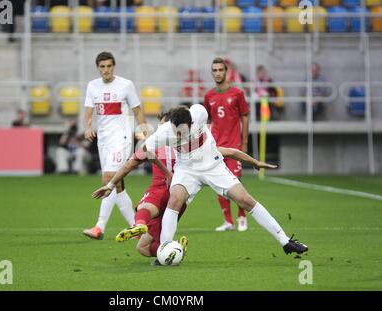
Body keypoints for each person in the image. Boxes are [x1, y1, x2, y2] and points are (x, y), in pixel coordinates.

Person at [101, 105, 308, 258]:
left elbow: (229, 150)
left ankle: (285, 241)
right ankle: (165, 248)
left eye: (182, 130)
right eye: (175, 131)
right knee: (175, 200)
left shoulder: (199, 113)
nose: (178, 135)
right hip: (186, 170)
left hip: (212, 165)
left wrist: (254, 162)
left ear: (193, 123)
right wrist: (111, 185)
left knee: (245, 200)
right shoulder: (163, 134)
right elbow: (139, 157)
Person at [82, 51, 147, 240]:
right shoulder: (92, 86)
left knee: (108, 179)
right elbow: (88, 111)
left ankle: (99, 227)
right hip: (104, 141)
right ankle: (136, 227)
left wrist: (145, 132)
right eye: (102, 67)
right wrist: (88, 127)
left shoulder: (126, 85)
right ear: (98, 68)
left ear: (114, 66)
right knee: (116, 184)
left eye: (109, 66)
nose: (106, 70)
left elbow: (137, 110)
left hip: (122, 138)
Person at [204, 57, 250, 232]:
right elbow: (207, 120)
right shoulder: (209, 96)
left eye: (220, 70)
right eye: (214, 70)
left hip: (233, 146)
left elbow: (244, 116)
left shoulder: (237, 93)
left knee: (235, 181)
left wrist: (244, 141)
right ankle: (228, 221)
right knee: (217, 182)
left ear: (226, 72)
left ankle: (242, 217)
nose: (217, 73)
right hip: (216, 147)